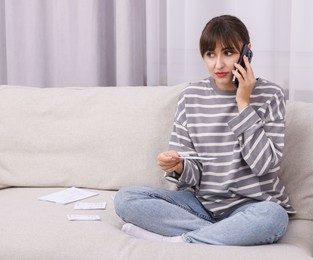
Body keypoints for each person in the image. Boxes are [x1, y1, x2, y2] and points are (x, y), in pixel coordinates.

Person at [114, 14, 295, 246]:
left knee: (273, 217)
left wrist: (243, 104)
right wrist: (178, 166)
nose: (218, 65)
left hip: (253, 206)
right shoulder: (191, 97)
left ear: (246, 52)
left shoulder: (271, 95)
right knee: (126, 198)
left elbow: (263, 166)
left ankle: (182, 240)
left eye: (228, 53)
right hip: (200, 206)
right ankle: (218, 236)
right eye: (210, 54)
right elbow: (191, 175)